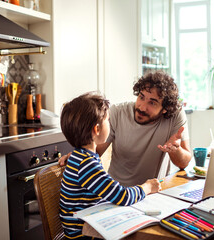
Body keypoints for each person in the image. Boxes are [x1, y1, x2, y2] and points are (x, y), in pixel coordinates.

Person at [60, 71, 192, 186]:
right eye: (141, 97)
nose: (141, 107)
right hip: (120, 192)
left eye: (152, 102)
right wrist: (78, 156)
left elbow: (184, 163)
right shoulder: (117, 113)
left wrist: (176, 150)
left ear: (165, 109)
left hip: (157, 192)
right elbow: (95, 150)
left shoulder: (175, 116)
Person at [59, 92, 161, 239]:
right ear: (97, 129)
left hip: (88, 226)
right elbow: (122, 196)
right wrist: (147, 187)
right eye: (108, 120)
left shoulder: (81, 156)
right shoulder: (86, 164)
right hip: (84, 234)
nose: (110, 123)